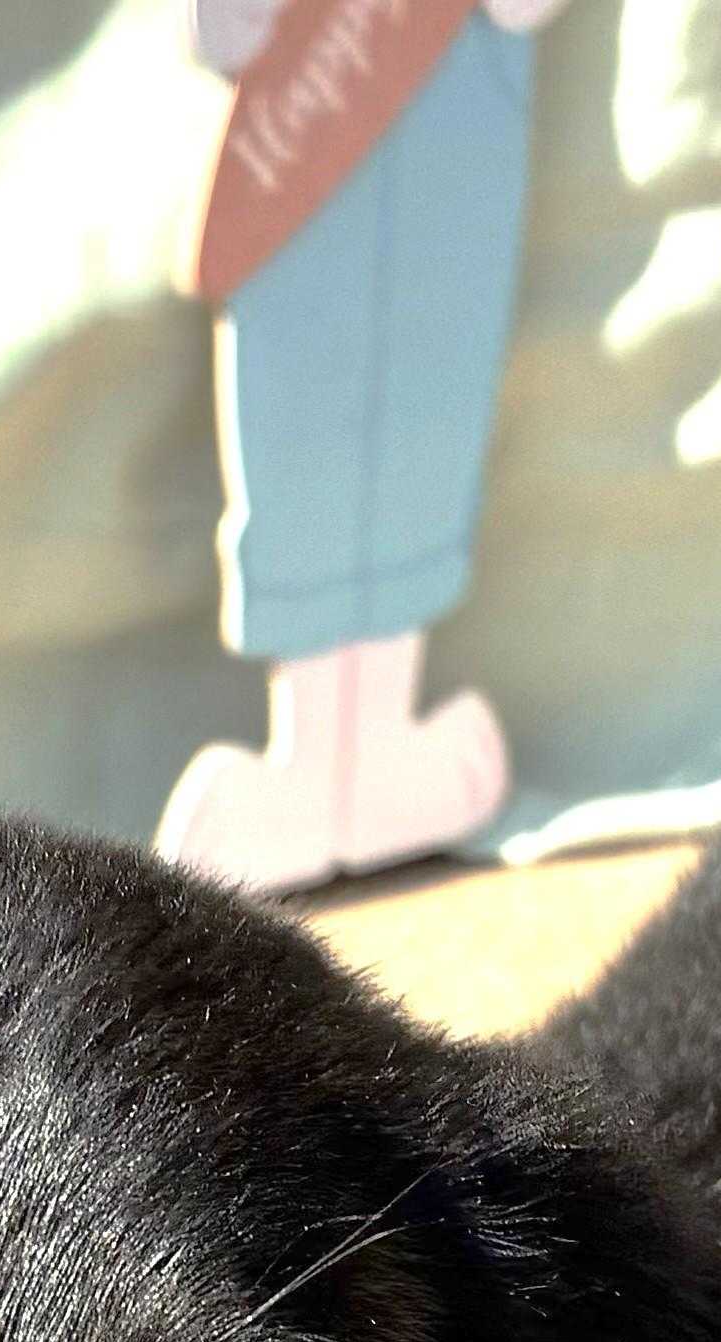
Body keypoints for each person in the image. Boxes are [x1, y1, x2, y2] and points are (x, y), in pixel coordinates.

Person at [160, 0, 567, 895]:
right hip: (304, 117)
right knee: (299, 415)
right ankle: (308, 758)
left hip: (454, 106)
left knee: (433, 397)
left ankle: (382, 741)